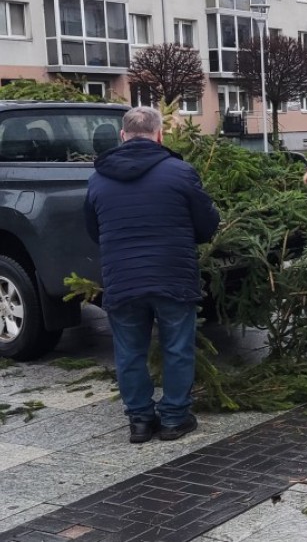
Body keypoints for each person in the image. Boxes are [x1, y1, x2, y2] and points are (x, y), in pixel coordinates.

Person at [84, 106, 220, 444]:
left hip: (123, 278)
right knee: (176, 347)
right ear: (160, 135)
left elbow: (93, 229)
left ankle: (140, 422)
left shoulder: (98, 178)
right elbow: (206, 226)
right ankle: (174, 419)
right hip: (173, 274)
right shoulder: (180, 171)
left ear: (122, 136)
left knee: (129, 351)